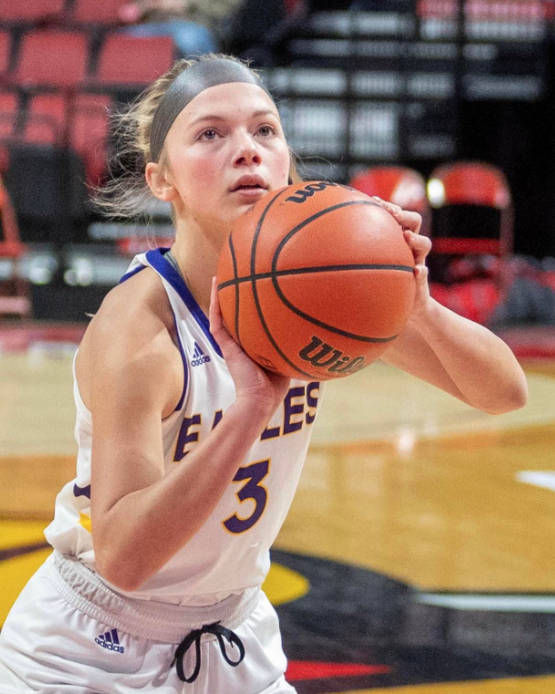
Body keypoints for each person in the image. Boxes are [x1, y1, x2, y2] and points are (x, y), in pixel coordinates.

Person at [0, 53, 528, 693]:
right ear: (162, 180)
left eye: (265, 130)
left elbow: (503, 391)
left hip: (233, 634)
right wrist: (248, 411)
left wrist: (416, 307)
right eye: (210, 134)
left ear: (286, 162)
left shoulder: (318, 287)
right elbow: (125, 557)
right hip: (92, 649)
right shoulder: (139, 331)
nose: (246, 150)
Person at [118, 0, 242, 58]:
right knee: (119, 40)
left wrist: (186, 4)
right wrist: (142, 6)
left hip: (195, 24)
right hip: (156, 23)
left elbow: (226, 9)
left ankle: (200, 88)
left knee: (190, 41)